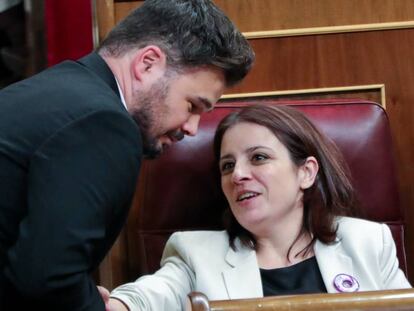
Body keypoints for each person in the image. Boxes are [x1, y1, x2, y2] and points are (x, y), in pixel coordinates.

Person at [0, 0, 254, 309]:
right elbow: (48, 280)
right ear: (147, 63)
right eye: (192, 105)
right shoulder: (105, 124)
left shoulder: (65, 91)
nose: (192, 128)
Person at [106, 105, 411, 311]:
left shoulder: (369, 242)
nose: (237, 175)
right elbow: (147, 298)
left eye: (259, 158)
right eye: (227, 165)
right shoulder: (195, 254)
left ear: (305, 172)